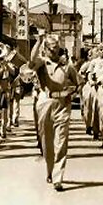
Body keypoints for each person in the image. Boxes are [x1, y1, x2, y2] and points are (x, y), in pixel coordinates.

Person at [30, 32, 79, 192]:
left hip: (63, 105)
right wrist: (37, 42)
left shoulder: (68, 66)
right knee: (47, 142)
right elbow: (31, 63)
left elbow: (78, 83)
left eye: (56, 48)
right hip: (45, 103)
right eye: (51, 49)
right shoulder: (41, 64)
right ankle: (50, 170)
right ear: (46, 49)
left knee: (61, 142)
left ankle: (58, 178)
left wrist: (71, 91)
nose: (54, 52)